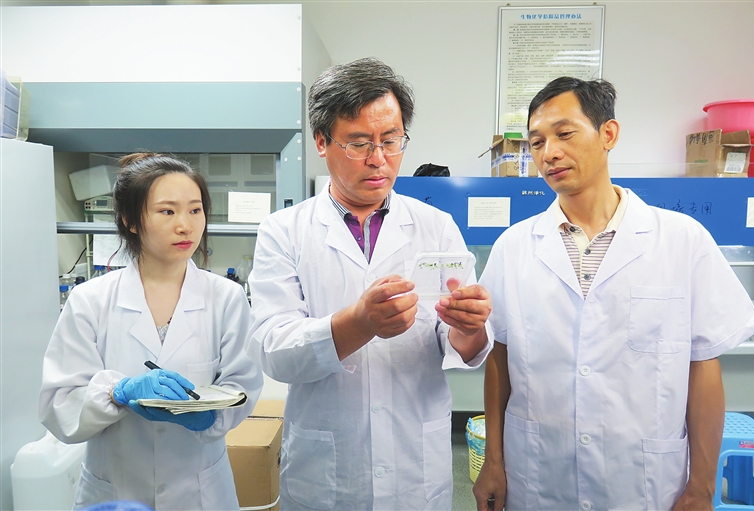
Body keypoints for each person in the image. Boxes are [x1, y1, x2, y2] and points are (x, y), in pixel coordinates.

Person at [473, 77, 754, 511]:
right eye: (537, 142)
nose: (549, 152)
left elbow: (703, 365)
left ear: (608, 134)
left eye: (564, 133)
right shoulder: (513, 247)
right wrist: (494, 461)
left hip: (643, 483)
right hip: (539, 476)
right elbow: (499, 357)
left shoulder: (682, 240)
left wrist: (702, 486)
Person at [248, 57, 493, 510]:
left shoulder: (436, 226)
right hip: (327, 472)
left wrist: (469, 327)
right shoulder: (283, 232)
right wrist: (358, 323)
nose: (378, 158)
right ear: (322, 141)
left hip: (415, 470)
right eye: (359, 143)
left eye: (391, 140)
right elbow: (274, 350)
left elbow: (460, 343)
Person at [40, 153, 263, 510]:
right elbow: (59, 405)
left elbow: (244, 384)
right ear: (129, 220)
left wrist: (211, 416)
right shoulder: (90, 301)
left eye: (195, 210)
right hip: (115, 488)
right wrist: (117, 392)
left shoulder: (227, 298)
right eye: (167, 211)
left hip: (201, 493)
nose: (185, 225)